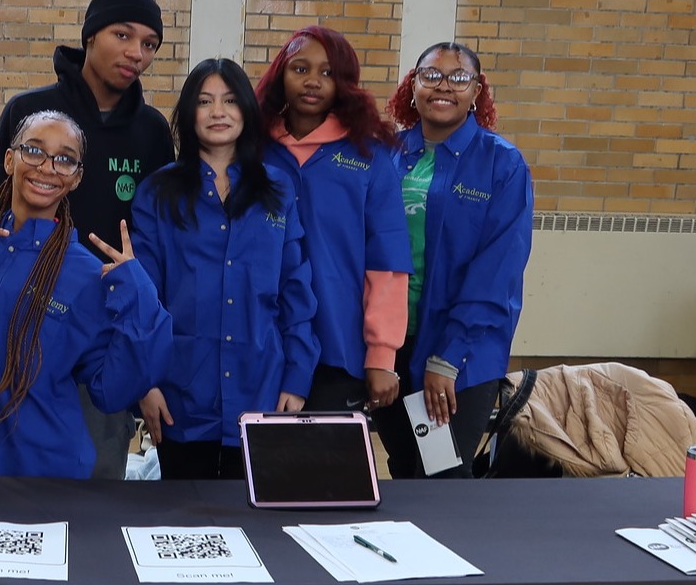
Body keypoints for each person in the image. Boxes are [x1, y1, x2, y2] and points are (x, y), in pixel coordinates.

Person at [0, 0, 175, 480]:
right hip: (12, 333)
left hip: (99, 346)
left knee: (89, 498)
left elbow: (151, 254)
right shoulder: (29, 112)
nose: (137, 53)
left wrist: (144, 374)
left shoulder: (150, 132)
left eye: (149, 44)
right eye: (123, 35)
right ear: (90, 36)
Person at [0, 109, 171, 478]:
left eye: (65, 159)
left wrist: (139, 293)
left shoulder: (87, 276)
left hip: (36, 482)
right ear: (9, 159)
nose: (48, 167)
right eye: (33, 151)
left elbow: (115, 389)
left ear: (77, 177)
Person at [131, 58, 318, 480]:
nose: (218, 112)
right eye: (205, 101)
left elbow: (295, 287)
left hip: (262, 386)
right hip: (180, 392)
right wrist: (146, 384)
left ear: (247, 111)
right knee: (185, 523)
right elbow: (142, 298)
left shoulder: (277, 188)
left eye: (231, 100)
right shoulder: (158, 193)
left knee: (255, 522)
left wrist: (297, 377)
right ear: (188, 113)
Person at [373, 41, 533, 477]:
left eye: (459, 77)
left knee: (443, 475)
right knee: (406, 465)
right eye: (431, 75)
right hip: (392, 344)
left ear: (478, 91)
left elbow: (498, 270)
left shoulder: (501, 164)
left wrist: (448, 358)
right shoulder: (386, 153)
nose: (444, 86)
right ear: (412, 86)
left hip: (459, 349)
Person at [255, 25, 412, 415]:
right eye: (300, 69)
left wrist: (381, 354)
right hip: (261, 339)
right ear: (280, 76)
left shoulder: (370, 157)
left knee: (326, 469)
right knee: (261, 467)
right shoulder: (253, 149)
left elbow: (387, 262)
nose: (313, 82)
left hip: (338, 345)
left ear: (346, 83)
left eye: (328, 73)